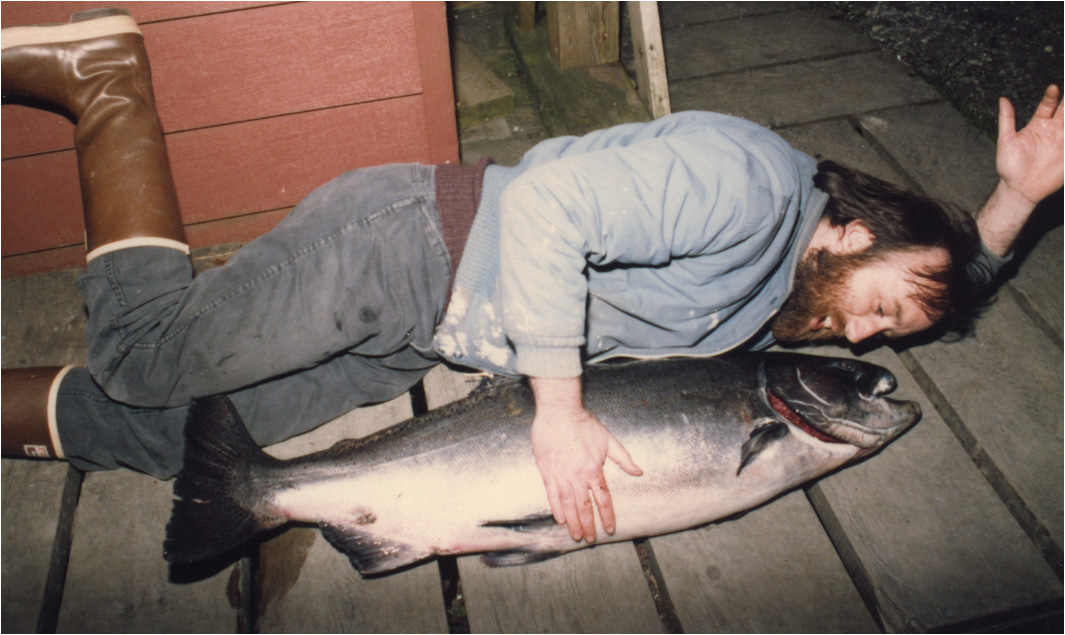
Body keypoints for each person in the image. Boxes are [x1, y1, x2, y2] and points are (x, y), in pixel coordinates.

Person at [3, 10, 1062, 546]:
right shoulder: (744, 182)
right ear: (845, 230)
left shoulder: (785, 290)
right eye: (880, 306)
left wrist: (1009, 207)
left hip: (432, 329)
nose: (872, 337)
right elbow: (551, 209)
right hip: (402, 245)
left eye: (888, 335)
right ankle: (105, 80)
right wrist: (558, 411)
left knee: (167, 432)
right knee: (145, 354)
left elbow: (940, 278)